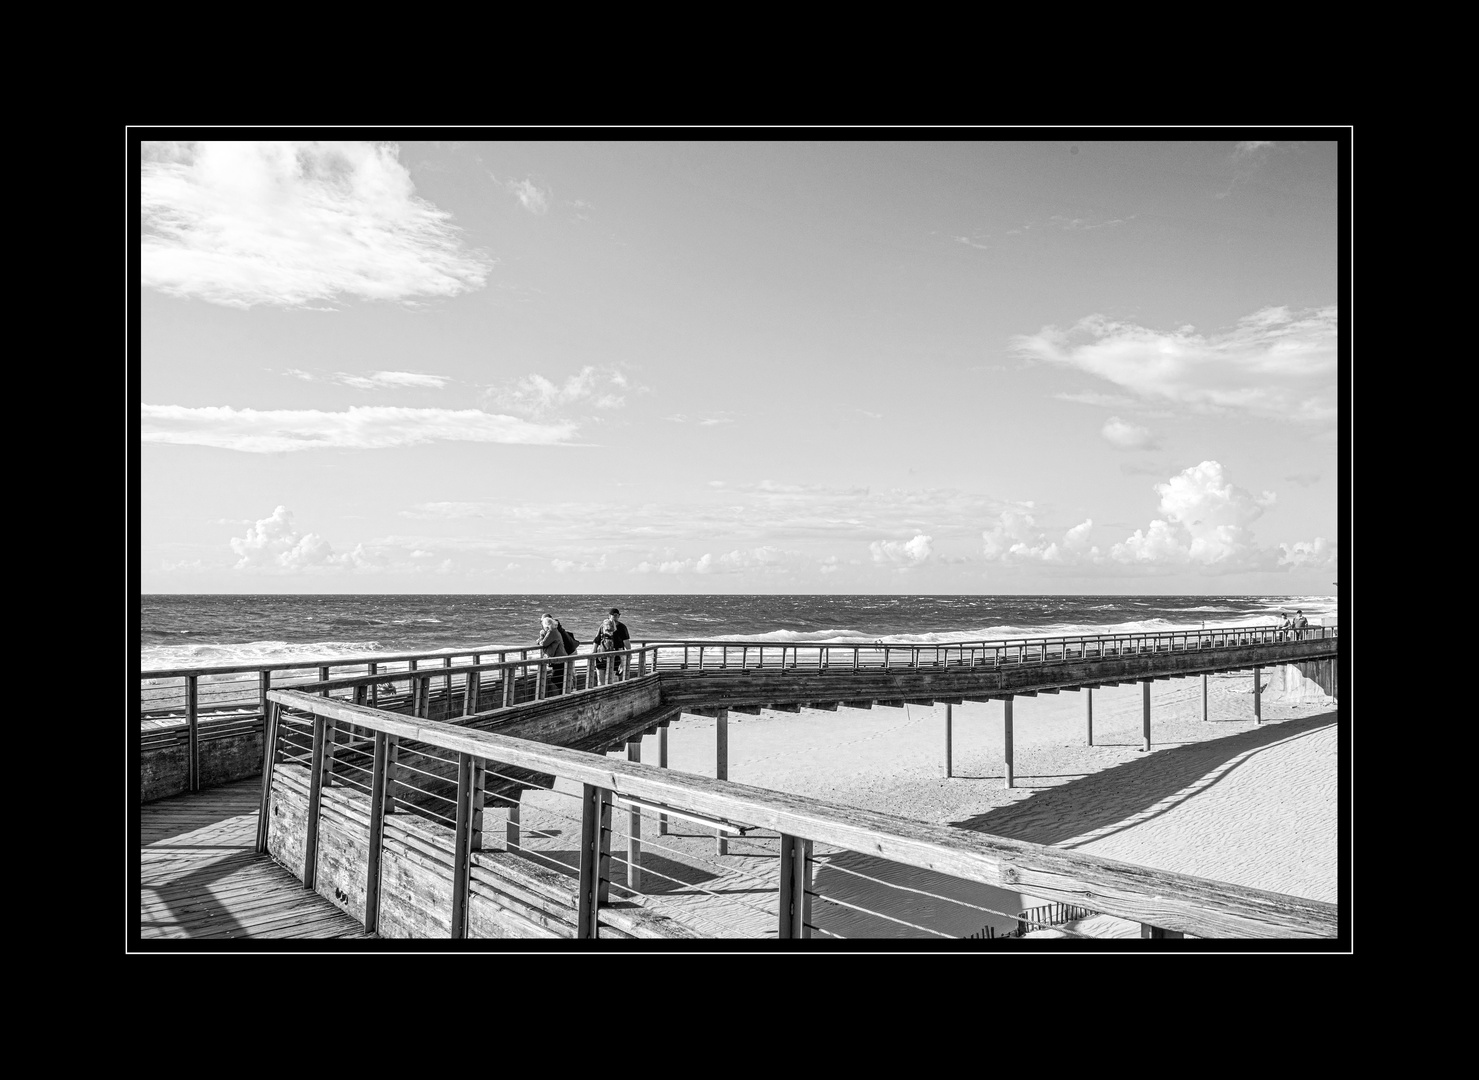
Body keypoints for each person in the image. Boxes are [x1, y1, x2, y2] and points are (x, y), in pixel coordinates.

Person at [537, 613, 567, 695]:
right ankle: (563, 693)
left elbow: (543, 643)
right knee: (559, 678)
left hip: (559, 659)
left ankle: (563, 694)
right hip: (559, 659)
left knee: (555, 678)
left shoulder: (552, 632)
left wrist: (541, 636)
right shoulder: (554, 630)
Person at [593, 613, 619, 685]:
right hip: (613, 660)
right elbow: (620, 650)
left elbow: (594, 649)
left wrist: (592, 660)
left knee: (600, 681)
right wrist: (623, 664)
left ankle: (600, 694)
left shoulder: (600, 635)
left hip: (600, 659)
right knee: (611, 681)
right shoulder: (616, 636)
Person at [608, 607, 631, 677]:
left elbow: (596, 641)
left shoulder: (603, 626)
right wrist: (629, 653)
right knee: (615, 675)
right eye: (615, 615)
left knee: (603, 676)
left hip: (604, 652)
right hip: (618, 653)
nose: (616, 617)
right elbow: (626, 641)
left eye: (617, 615)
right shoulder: (622, 627)